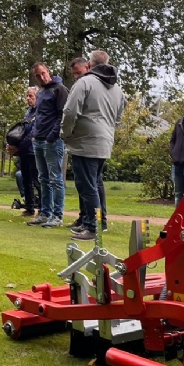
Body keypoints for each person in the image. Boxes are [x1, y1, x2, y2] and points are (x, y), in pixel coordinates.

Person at [61, 50, 126, 240]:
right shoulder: (117, 89)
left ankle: (92, 227)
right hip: (105, 142)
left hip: (85, 142)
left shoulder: (84, 83)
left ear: (89, 65)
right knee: (96, 184)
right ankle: (98, 222)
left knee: (87, 186)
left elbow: (70, 111)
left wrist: (65, 133)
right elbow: (118, 118)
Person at [27, 62, 69, 228]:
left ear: (48, 71)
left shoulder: (60, 89)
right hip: (38, 139)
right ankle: (45, 213)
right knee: (43, 179)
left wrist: (52, 136)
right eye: (38, 75)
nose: (41, 77)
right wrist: (34, 134)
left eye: (43, 73)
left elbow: (62, 115)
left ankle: (57, 215)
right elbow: (38, 115)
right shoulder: (41, 92)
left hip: (52, 141)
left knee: (55, 179)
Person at [7, 86, 41, 216]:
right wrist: (13, 144)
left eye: (31, 96)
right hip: (24, 152)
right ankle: (29, 207)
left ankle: (43, 208)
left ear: (37, 97)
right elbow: (22, 131)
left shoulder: (40, 112)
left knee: (37, 180)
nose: (28, 98)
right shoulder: (28, 112)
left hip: (33, 151)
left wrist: (18, 147)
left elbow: (33, 133)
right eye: (27, 96)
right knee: (26, 179)